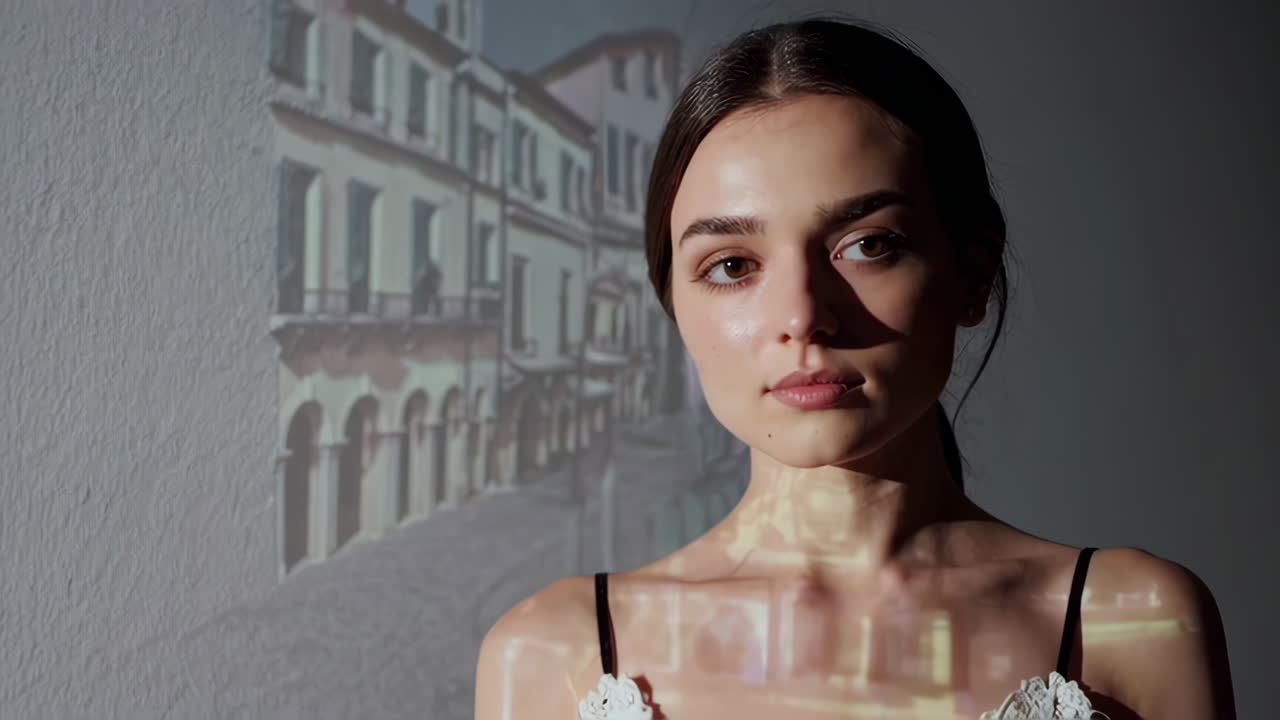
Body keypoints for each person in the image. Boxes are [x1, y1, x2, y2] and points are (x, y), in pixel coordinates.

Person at [474, 18, 1234, 720]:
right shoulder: (555, 652)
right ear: (674, 301)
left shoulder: (1133, 620)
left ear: (971, 275)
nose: (804, 316)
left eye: (868, 245)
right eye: (733, 264)